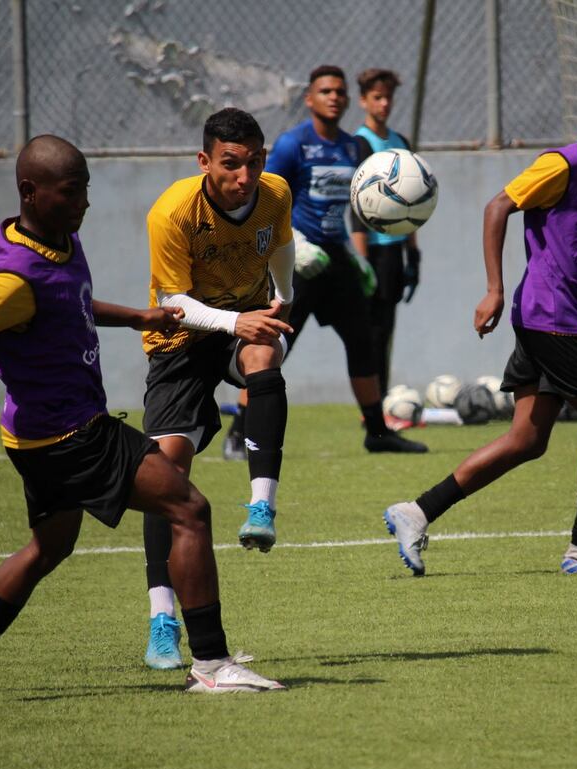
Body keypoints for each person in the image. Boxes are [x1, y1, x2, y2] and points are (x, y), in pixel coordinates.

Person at [0, 134, 284, 694]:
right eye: (71, 192)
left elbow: (68, 302)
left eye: (86, 190)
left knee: (48, 548)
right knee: (190, 509)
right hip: (72, 435)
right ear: (30, 191)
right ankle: (213, 665)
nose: (84, 204)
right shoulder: (10, 279)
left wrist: (139, 317)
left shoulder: (56, 240)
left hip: (31, 439)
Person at [383, 79, 577, 576]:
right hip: (553, 319)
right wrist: (494, 289)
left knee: (527, 439)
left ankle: (416, 511)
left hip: (559, 319)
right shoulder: (562, 165)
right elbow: (497, 207)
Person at [138, 108, 296, 670]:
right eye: (231, 164)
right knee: (166, 473)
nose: (244, 176)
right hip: (178, 342)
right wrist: (237, 321)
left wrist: (283, 299)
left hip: (243, 325)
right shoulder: (173, 212)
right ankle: (162, 621)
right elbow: (173, 303)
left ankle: (262, 507)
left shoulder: (276, 193)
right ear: (205, 161)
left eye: (254, 162)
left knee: (264, 355)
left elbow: (280, 244)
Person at [223, 64, 427, 457]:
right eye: (325, 91)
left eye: (339, 91)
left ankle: (378, 434)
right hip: (297, 261)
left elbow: (357, 206)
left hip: (335, 259)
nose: (334, 97)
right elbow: (264, 198)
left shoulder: (352, 147)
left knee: (363, 342)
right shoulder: (293, 144)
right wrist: (294, 243)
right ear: (309, 98)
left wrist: (356, 255)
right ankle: (238, 432)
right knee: (272, 346)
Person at [350, 68, 423, 396]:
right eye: (377, 97)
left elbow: (413, 202)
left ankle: (382, 400)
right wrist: (362, 262)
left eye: (388, 97)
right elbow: (357, 208)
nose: (384, 104)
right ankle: (372, 405)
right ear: (363, 101)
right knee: (371, 332)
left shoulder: (400, 142)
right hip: (372, 252)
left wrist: (413, 254)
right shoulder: (359, 144)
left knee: (386, 330)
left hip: (394, 251)